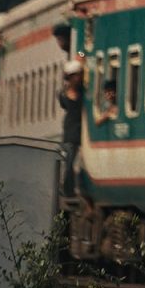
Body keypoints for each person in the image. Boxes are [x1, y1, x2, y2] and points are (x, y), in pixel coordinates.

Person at [57, 60, 85, 197]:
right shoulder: (63, 94)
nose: (78, 78)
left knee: (77, 162)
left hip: (81, 130)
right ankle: (68, 190)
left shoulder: (82, 92)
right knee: (70, 162)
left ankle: (75, 188)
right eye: (76, 75)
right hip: (71, 130)